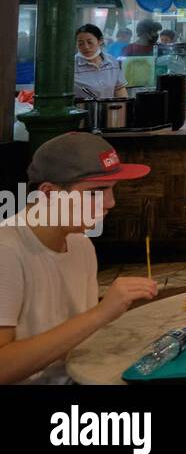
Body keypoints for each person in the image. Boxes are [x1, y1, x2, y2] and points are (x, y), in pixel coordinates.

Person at [0, 133, 156, 384]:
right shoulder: (6, 251)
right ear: (49, 194)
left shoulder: (80, 244)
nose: (111, 203)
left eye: (112, 189)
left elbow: (79, 340)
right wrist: (101, 313)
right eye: (95, 192)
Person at [73, 24, 126, 101]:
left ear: (100, 41)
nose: (86, 47)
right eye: (81, 44)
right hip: (83, 111)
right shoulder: (71, 66)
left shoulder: (112, 62)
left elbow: (119, 89)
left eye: (89, 42)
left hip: (109, 111)